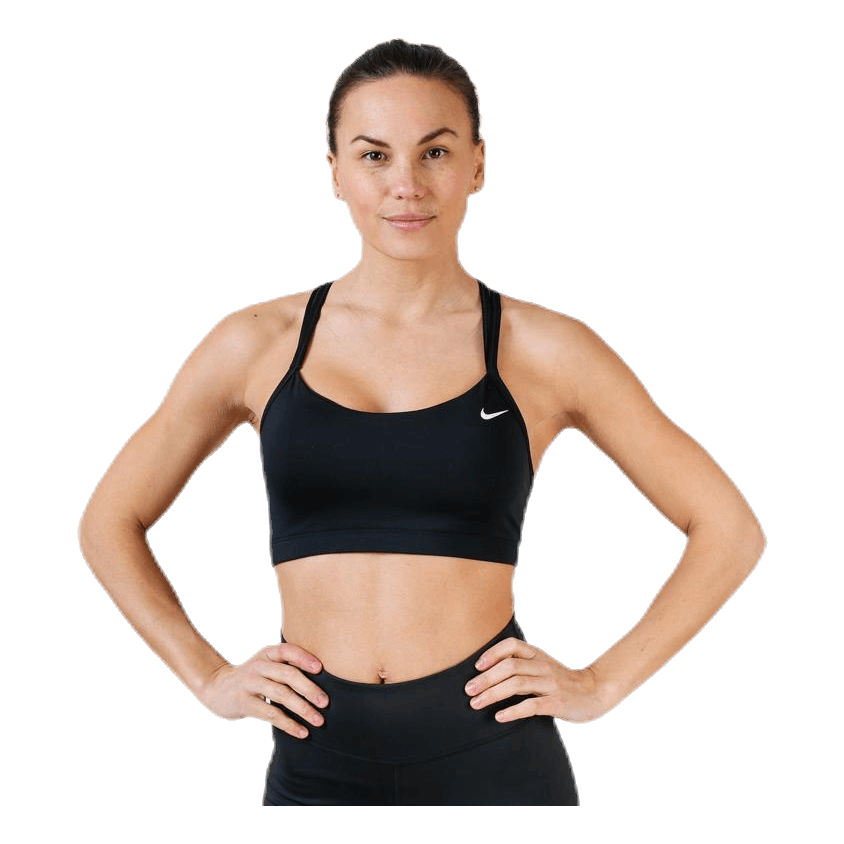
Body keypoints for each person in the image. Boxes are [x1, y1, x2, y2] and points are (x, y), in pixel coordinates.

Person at [77, 39, 767, 806]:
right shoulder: (257, 342)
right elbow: (108, 521)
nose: (405, 184)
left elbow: (730, 529)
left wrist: (603, 682)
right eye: (374, 155)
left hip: (496, 760)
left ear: (477, 165)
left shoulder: (543, 348)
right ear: (335, 171)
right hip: (316, 765)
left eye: (434, 152)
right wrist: (207, 676)